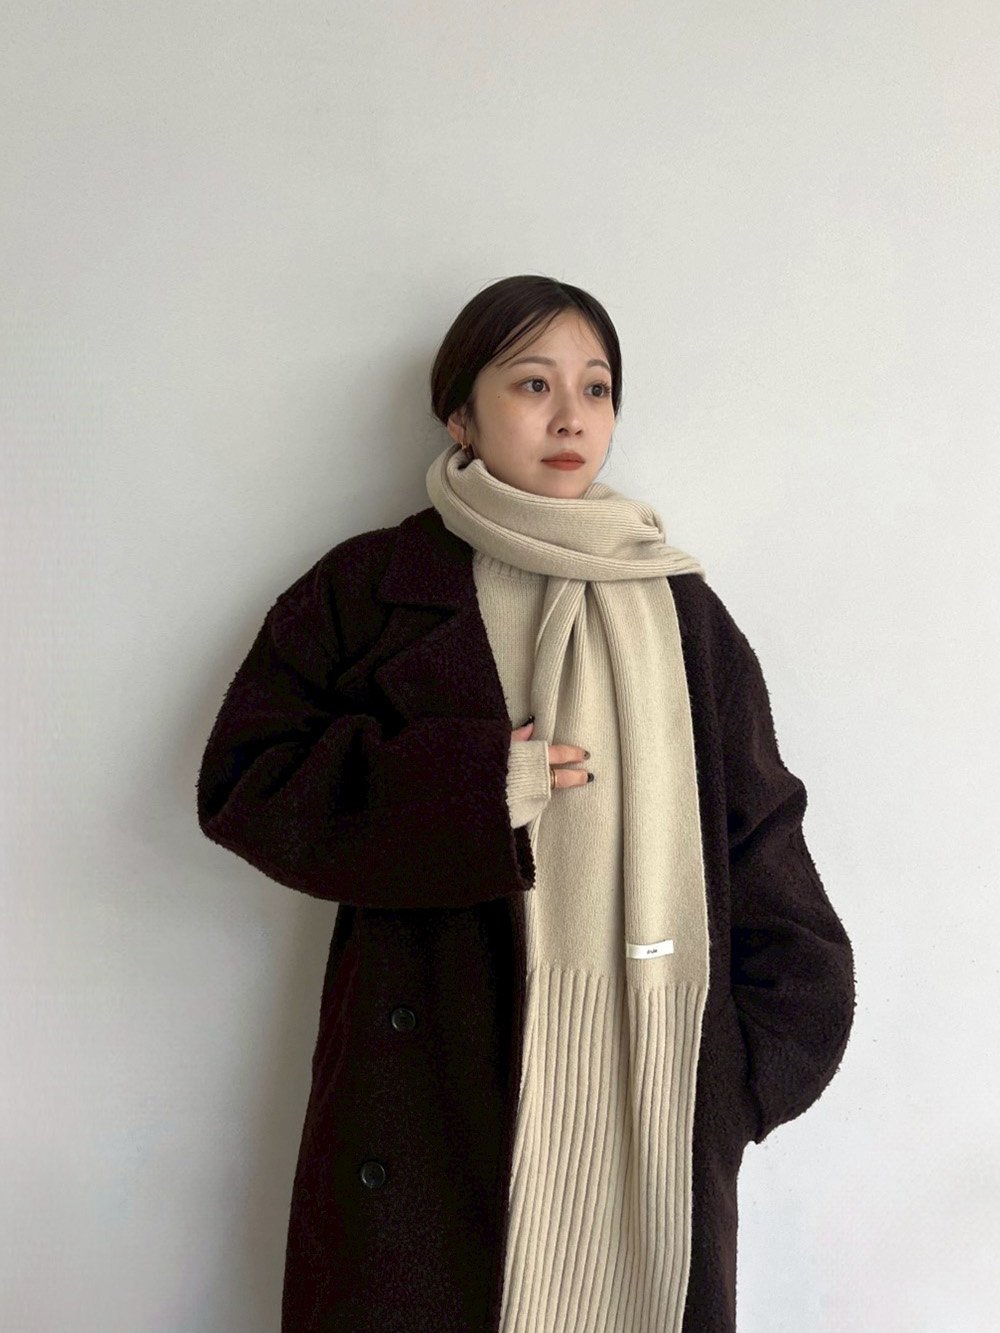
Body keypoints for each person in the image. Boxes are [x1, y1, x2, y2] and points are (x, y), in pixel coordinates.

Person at [196, 274, 856, 1333]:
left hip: (648, 1109)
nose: (570, 417)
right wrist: (469, 786)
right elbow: (244, 781)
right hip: (430, 1108)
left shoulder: (683, 611)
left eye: (595, 388)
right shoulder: (373, 586)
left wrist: (732, 1080)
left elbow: (765, 843)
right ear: (460, 413)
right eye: (533, 384)